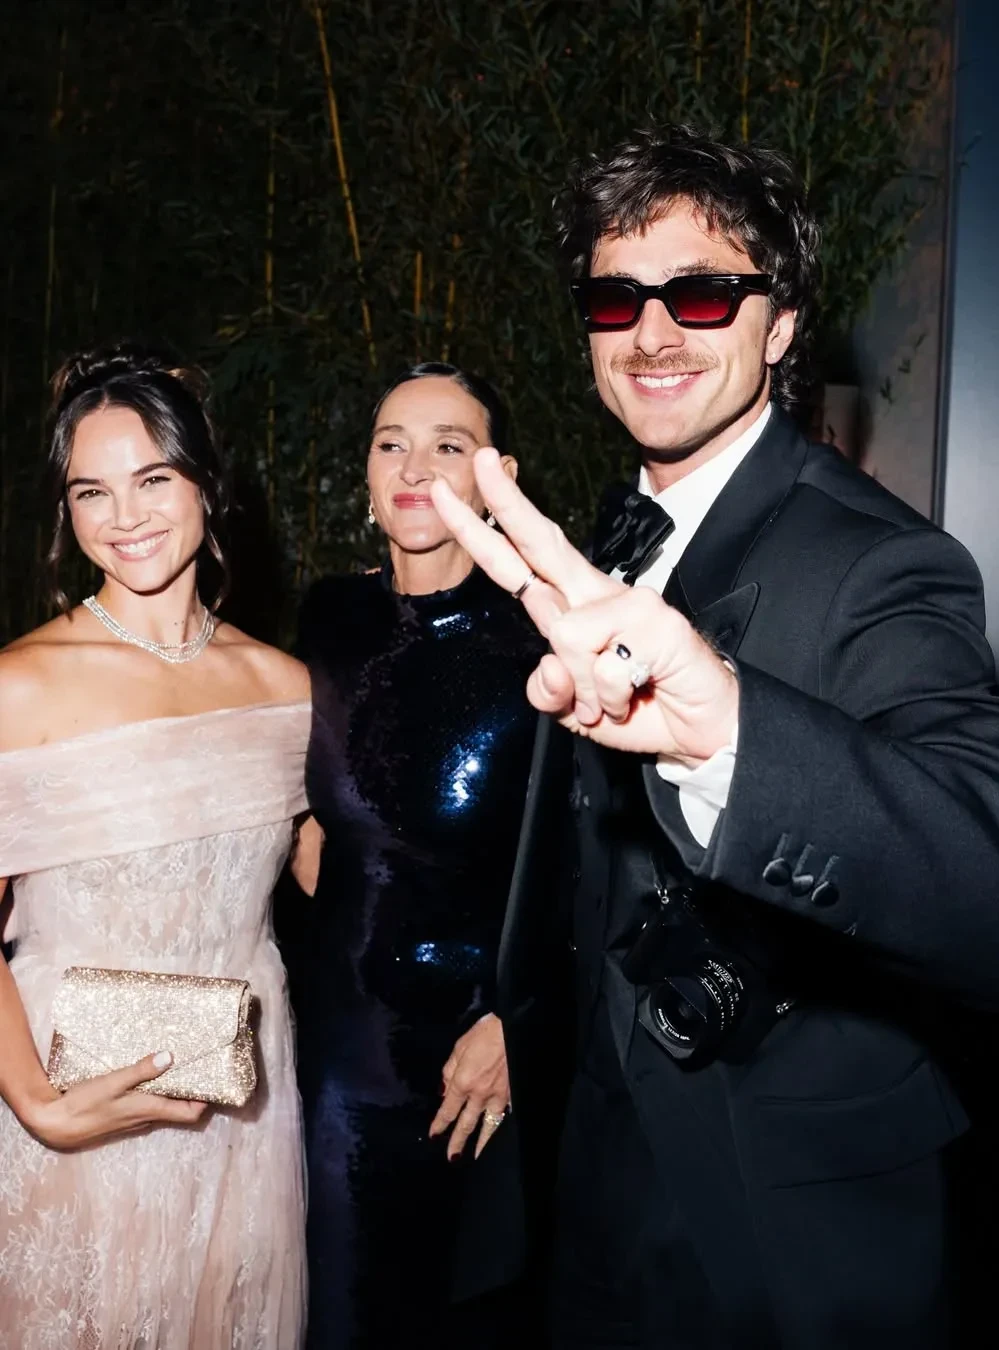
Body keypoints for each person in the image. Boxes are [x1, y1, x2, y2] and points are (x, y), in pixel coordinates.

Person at [429, 126, 999, 1350]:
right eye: (617, 298)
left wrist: (733, 732)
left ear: (779, 324)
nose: (652, 332)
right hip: (590, 1177)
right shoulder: (608, 538)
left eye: (702, 293)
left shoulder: (880, 561)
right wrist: (515, 1018)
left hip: (785, 1223)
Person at [0, 343, 311, 1349]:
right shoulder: (18, 685)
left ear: (207, 484)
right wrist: (37, 1105)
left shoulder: (287, 690)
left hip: (240, 1117)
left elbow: (360, 884)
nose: (123, 516)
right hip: (67, 1105)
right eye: (91, 491)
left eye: (153, 479)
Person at [290, 362, 550, 1348]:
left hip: (479, 1062)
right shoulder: (328, 619)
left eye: (449, 445)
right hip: (336, 1051)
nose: (413, 467)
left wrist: (521, 1024)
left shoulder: (543, 639)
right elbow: (307, 804)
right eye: (391, 443)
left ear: (498, 476)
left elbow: (593, 867)